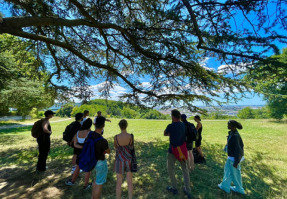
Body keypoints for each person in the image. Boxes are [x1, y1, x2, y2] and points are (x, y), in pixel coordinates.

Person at [164, 109, 192, 199]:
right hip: (182, 151)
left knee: (171, 169)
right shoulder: (183, 125)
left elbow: (165, 133)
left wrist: (171, 133)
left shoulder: (170, 126)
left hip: (172, 150)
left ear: (173, 116)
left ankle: (174, 187)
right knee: (185, 170)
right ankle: (188, 190)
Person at [218, 120, 245, 195]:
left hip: (234, 159)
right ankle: (225, 186)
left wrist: (236, 162)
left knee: (235, 174)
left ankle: (239, 189)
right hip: (231, 158)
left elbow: (238, 149)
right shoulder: (232, 133)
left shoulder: (235, 136)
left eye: (228, 125)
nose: (227, 126)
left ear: (233, 126)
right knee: (228, 172)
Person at [66, 118, 93, 190]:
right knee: (88, 169)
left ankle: (72, 181)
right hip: (87, 153)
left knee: (78, 167)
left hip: (79, 153)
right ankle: (85, 185)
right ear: (90, 125)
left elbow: (75, 144)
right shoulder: (90, 133)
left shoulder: (78, 132)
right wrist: (85, 147)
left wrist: (81, 146)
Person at [114, 119, 134, 199]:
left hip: (119, 160)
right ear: (126, 125)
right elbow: (131, 146)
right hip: (129, 159)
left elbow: (116, 147)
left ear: (119, 126)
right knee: (130, 182)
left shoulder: (116, 137)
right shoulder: (130, 136)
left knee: (119, 182)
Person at [92, 116, 110, 199]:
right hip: (100, 162)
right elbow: (108, 151)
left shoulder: (89, 135)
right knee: (99, 183)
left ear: (94, 124)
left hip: (91, 162)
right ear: (103, 125)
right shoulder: (103, 140)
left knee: (95, 181)